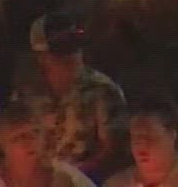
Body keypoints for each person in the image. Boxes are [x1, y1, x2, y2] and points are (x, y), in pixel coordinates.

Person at [14, 13, 123, 179]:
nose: (71, 56)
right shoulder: (27, 94)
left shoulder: (102, 91)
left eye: (74, 47)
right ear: (41, 57)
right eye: (61, 50)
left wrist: (71, 176)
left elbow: (114, 154)